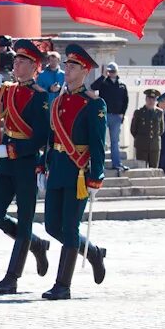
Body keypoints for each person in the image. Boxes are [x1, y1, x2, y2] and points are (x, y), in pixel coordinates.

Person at [0, 39, 52, 294]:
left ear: (35, 67)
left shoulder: (40, 98)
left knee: (24, 221)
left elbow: (41, 139)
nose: (16, 64)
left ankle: (12, 277)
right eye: (16, 60)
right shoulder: (7, 89)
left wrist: (10, 150)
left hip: (25, 162)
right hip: (7, 162)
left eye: (23, 62)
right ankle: (35, 245)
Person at [42, 44, 107, 300]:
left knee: (70, 228)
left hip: (79, 172)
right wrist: (42, 166)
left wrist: (96, 176)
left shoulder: (93, 103)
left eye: (72, 66)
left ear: (85, 70)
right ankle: (92, 252)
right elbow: (52, 137)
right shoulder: (58, 101)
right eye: (66, 65)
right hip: (57, 168)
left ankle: (62, 285)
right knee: (51, 226)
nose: (67, 70)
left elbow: (98, 144)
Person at [91, 62, 129, 171]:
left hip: (117, 116)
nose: (111, 73)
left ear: (117, 72)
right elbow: (93, 87)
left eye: (113, 71)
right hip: (104, 114)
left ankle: (116, 164)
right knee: (101, 140)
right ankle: (99, 164)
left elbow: (125, 100)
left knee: (115, 141)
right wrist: (103, 76)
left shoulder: (122, 84)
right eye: (110, 71)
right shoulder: (104, 82)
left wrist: (122, 114)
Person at [131, 89, 165, 169]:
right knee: (141, 169)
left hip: (154, 146)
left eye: (153, 99)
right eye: (149, 99)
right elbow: (133, 129)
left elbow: (162, 129)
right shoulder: (139, 112)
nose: (151, 101)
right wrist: (141, 138)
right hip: (141, 146)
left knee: (154, 169)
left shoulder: (159, 112)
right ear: (146, 99)